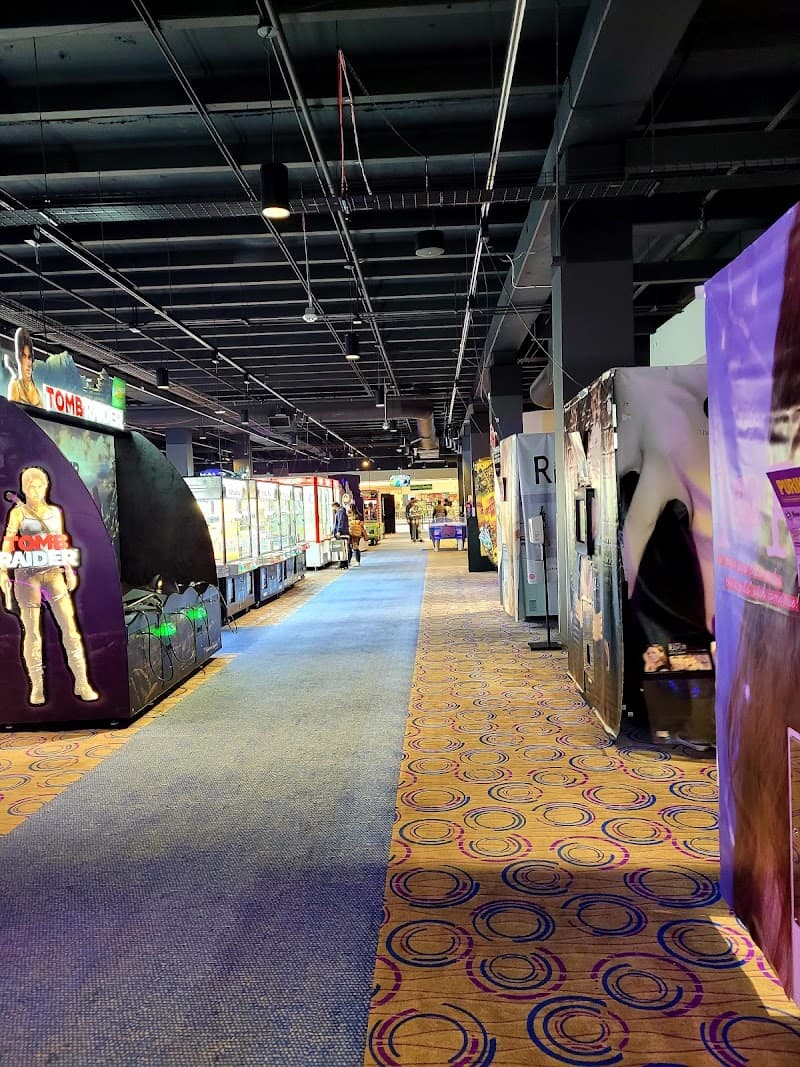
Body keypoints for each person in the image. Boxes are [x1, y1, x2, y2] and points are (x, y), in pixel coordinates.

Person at [0, 466, 98, 705]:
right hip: (27, 574)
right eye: (29, 485)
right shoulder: (18, 513)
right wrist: (3, 570)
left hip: (53, 571)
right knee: (32, 633)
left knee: (70, 630)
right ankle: (37, 687)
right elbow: (8, 542)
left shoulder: (55, 512)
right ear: (23, 488)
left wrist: (68, 570)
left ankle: (82, 681)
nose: (34, 490)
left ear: (46, 486)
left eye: (38, 485)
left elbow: (61, 542)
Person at [6, 328, 43, 408]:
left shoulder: (37, 392)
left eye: (29, 357)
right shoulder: (15, 386)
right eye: (24, 356)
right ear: (19, 358)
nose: (28, 363)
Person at [332, 499, 350, 568]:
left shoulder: (340, 512)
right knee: (343, 548)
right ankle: (343, 563)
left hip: (342, 533)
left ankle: (343, 563)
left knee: (342, 548)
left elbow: (340, 521)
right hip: (343, 532)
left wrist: (339, 531)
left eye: (333, 508)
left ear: (335, 506)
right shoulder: (342, 511)